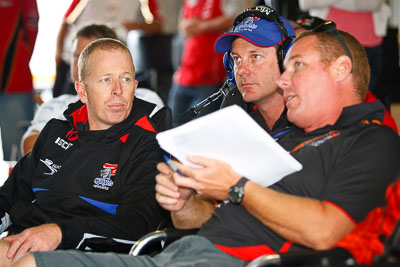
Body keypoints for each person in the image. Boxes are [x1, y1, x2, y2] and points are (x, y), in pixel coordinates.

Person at [14, 5, 400, 267]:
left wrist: (236, 185)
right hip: (180, 250)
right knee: (24, 259)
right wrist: (182, 200)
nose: (284, 77)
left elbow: (326, 230)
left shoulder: (372, 138)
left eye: (293, 64)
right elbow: (201, 220)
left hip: (224, 259)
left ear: (340, 70)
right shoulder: (279, 138)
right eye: (236, 58)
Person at [0, 38, 170, 266]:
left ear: (135, 87)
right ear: (82, 90)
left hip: (93, 253)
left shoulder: (148, 143)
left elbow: (137, 225)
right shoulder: (55, 133)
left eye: (126, 79)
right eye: (105, 79)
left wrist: (60, 232)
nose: (117, 90)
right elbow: (8, 197)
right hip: (25, 240)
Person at [21, 24, 118, 155]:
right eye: (77, 56)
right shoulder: (54, 106)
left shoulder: (143, 100)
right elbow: (31, 149)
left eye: (90, 55)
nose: (81, 63)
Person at [53, 0, 162, 97]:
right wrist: (58, 54)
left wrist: (131, 25)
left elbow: (157, 25)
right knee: (65, 106)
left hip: (108, 61)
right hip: (73, 57)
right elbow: (66, 22)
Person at [216, 5, 295, 132]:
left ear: (285, 59)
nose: (241, 70)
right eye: (237, 59)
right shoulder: (235, 102)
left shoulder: (308, 110)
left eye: (255, 57)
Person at [168, 0, 247, 126]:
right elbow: (181, 25)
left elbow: (238, 19)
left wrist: (203, 26)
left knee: (200, 131)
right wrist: (186, 26)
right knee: (170, 127)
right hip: (183, 75)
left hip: (210, 78)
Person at [0, 0, 39, 161]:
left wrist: (17, 63)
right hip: (14, 85)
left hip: (14, 85)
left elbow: (30, 33)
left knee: (19, 157)